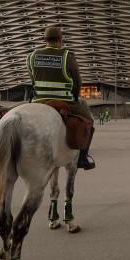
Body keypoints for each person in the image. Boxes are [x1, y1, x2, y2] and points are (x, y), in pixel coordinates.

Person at [27, 26, 95, 169]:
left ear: (44, 40)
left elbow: (32, 80)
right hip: (64, 100)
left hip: (38, 100)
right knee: (89, 121)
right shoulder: (67, 57)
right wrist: (75, 98)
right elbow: (77, 82)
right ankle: (83, 158)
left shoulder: (32, 56)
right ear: (60, 40)